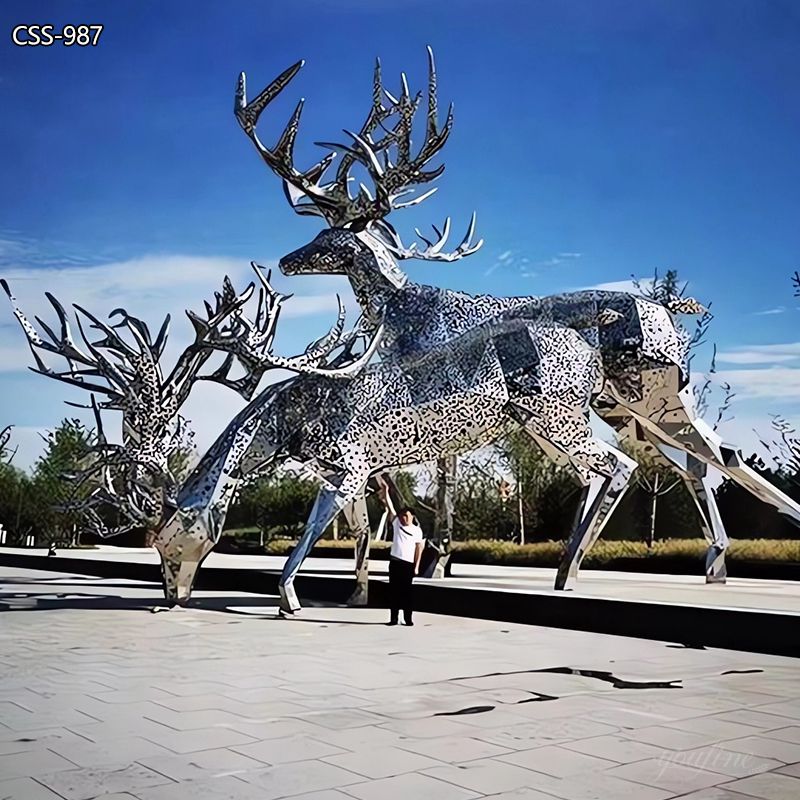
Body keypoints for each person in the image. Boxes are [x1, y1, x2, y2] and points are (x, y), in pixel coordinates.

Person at [387, 505, 424, 626]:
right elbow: (390, 507)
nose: (404, 518)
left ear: (412, 517)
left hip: (408, 564)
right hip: (395, 562)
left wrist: (416, 565)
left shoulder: (417, 531)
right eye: (402, 516)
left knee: (407, 593)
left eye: (406, 516)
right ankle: (394, 618)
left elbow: (419, 549)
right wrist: (386, 492)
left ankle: (408, 618)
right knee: (394, 592)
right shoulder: (397, 524)